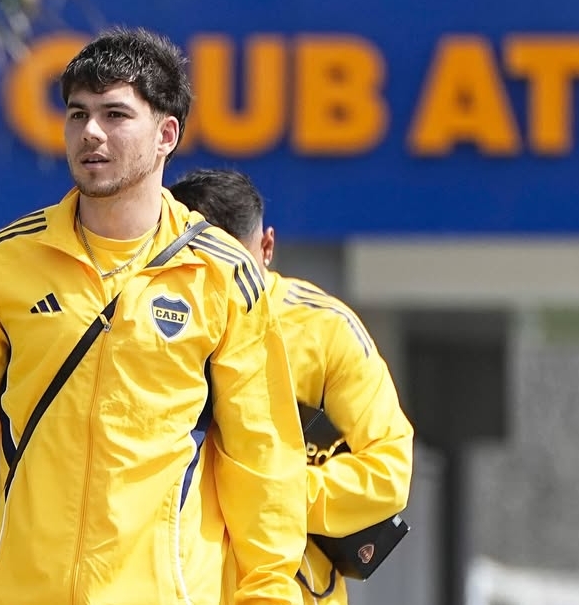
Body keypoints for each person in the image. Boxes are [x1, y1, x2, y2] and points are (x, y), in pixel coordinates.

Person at [0, 28, 308, 605]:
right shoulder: (6, 263)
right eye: (76, 114)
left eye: (115, 114)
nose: (90, 132)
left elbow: (262, 459)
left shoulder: (222, 274)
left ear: (166, 134)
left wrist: (267, 596)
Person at [169, 168, 415, 605]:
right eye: (198, 268)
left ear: (266, 248)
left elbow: (388, 471)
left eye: (234, 268)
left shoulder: (324, 331)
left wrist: (268, 493)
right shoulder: (145, 327)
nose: (221, 288)